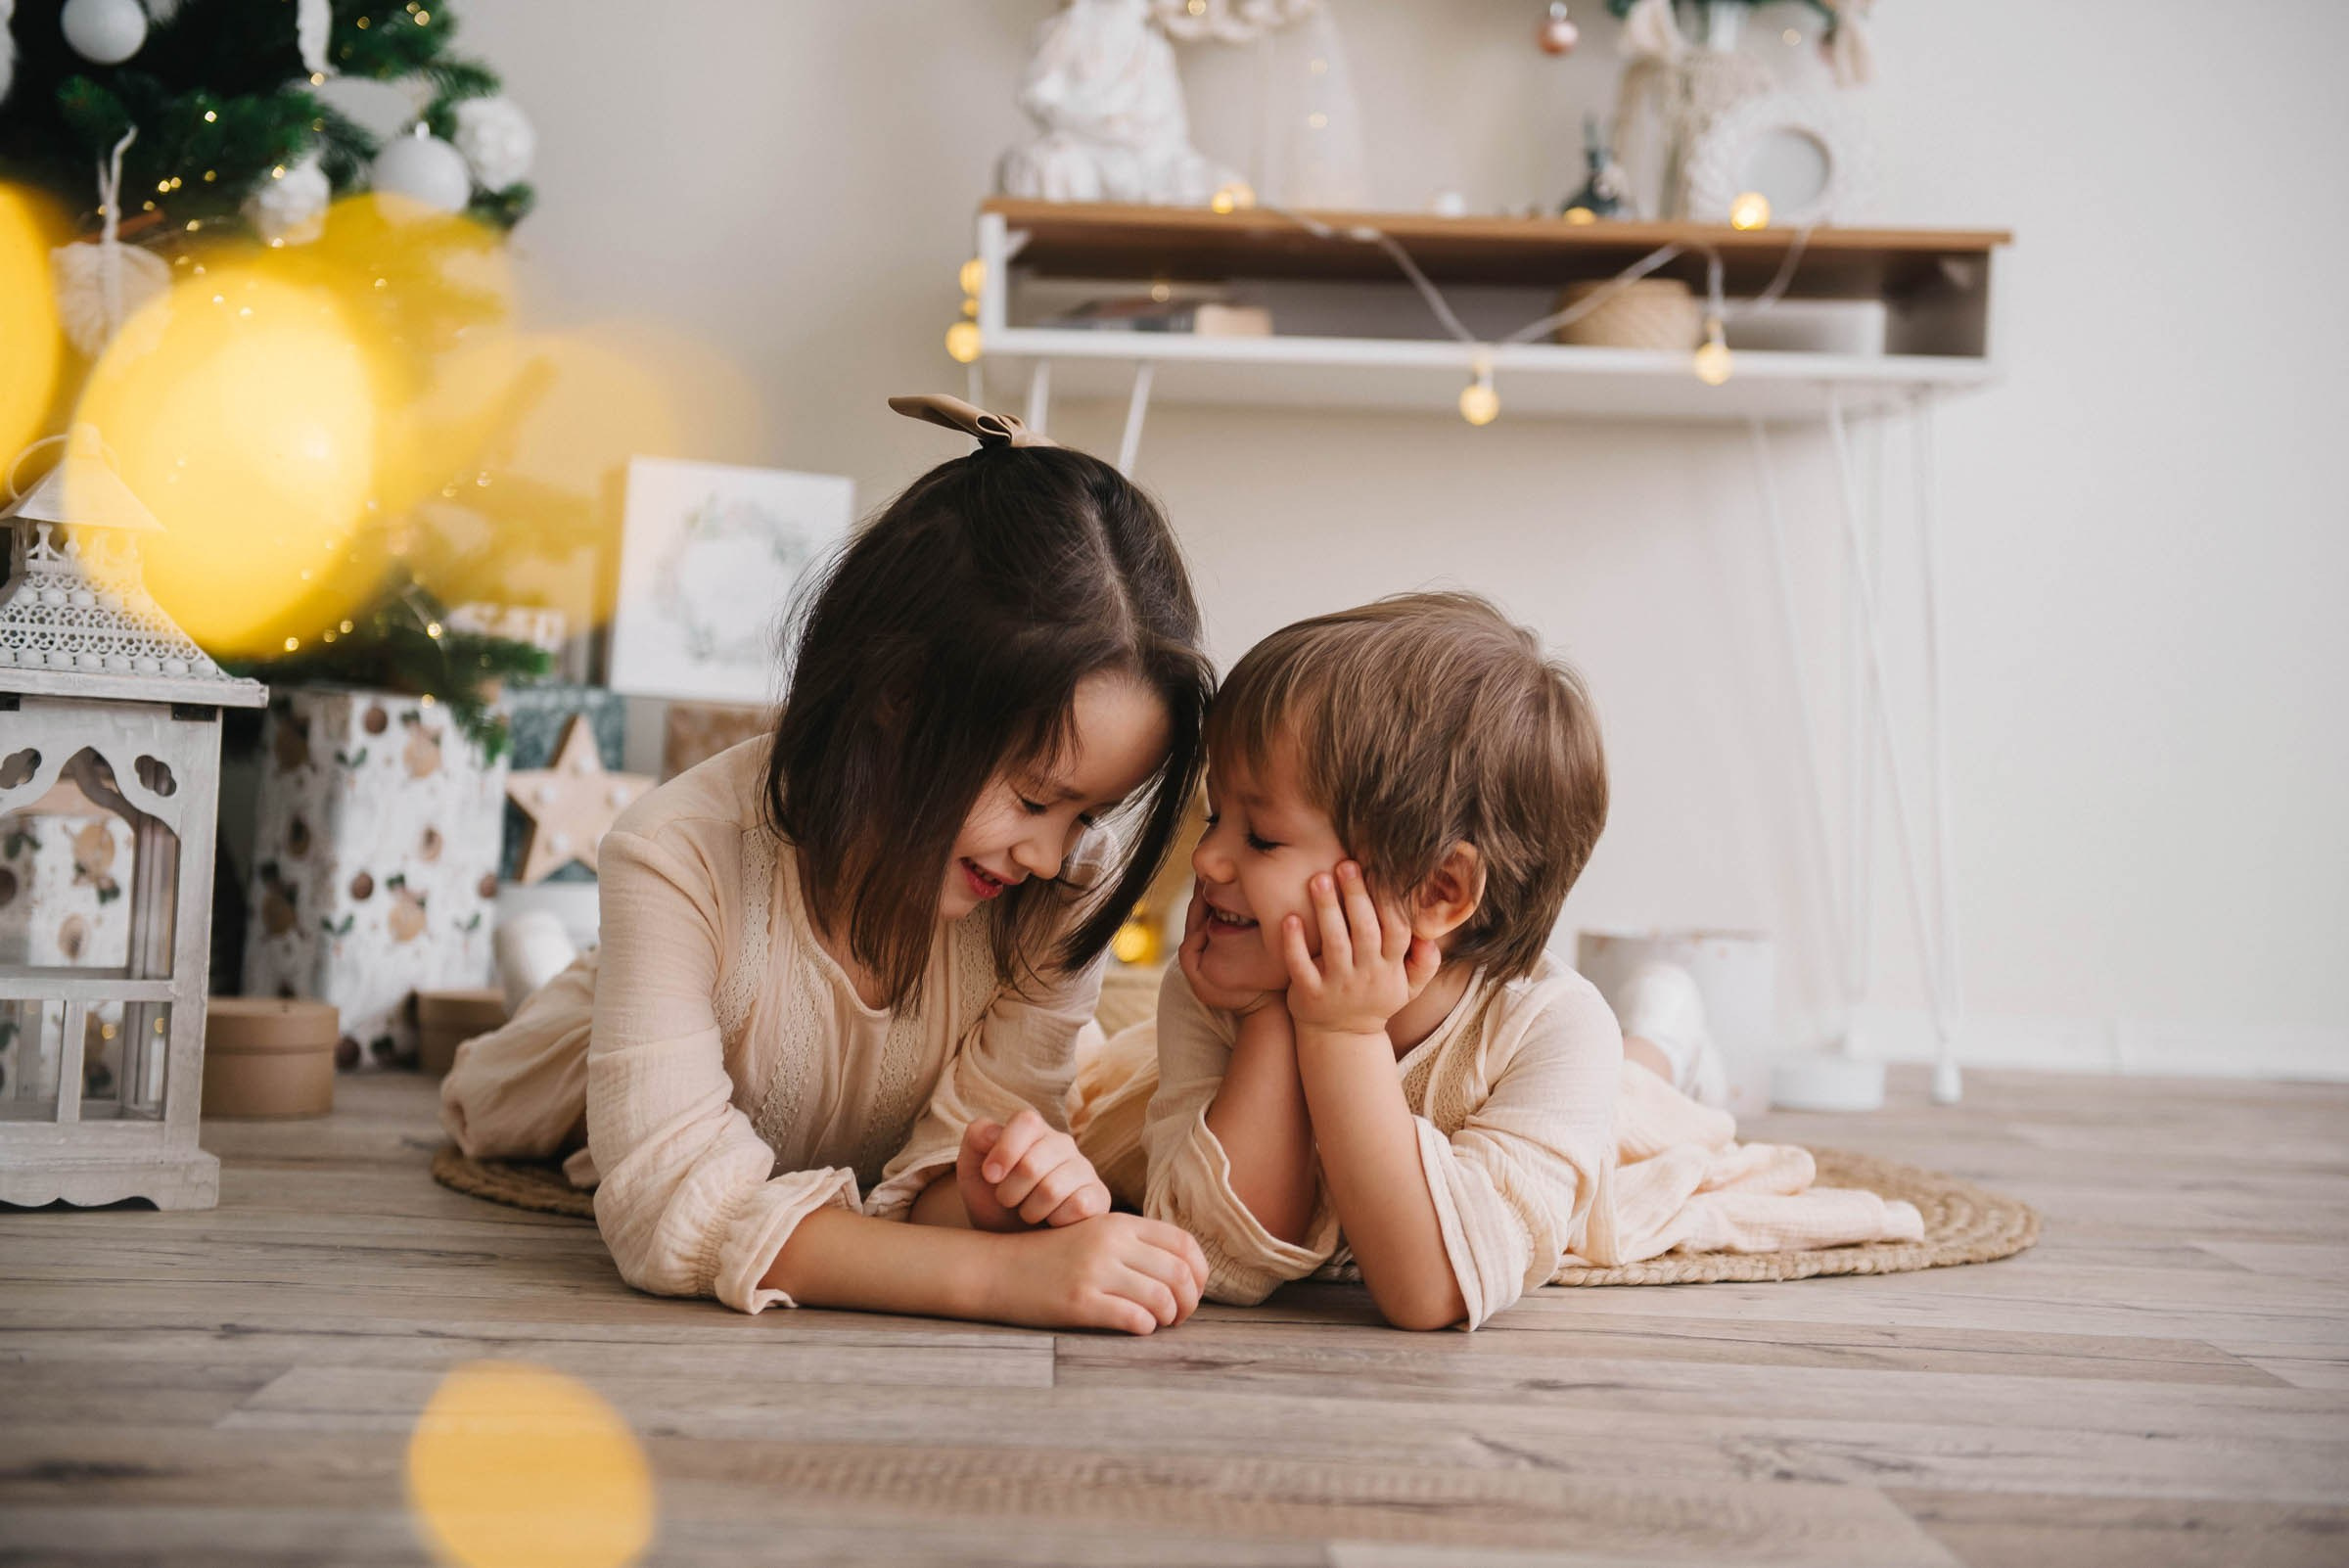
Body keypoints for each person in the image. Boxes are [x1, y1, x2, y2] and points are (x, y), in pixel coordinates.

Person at [442, 395, 1212, 1335]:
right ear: (898, 696)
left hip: (825, 1088)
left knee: (1081, 1079)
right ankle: (557, 969)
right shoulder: (674, 852)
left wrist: (982, 1197)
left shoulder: (1056, 887)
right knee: (504, 1093)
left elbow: (930, 1187)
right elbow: (665, 1210)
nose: (1053, 853)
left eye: (1089, 812)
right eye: (1035, 797)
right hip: (611, 1039)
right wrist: (1003, 1281)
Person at [1071, 592, 1920, 1330]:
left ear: (1440, 889)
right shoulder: (1220, 988)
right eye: (1216, 816)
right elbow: (1222, 1258)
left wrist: (1341, 1032)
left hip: (1560, 1084)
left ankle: (1666, 1031)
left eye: (1260, 836)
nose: (1210, 861)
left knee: (1634, 1099)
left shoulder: (1551, 1031)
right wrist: (1269, 1019)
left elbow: (1432, 1288)